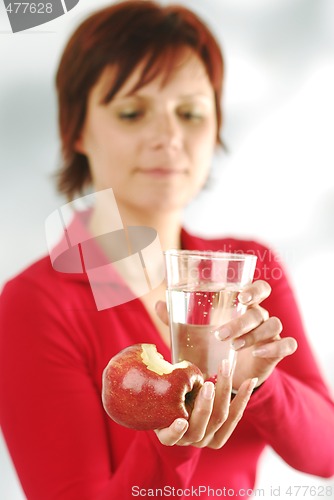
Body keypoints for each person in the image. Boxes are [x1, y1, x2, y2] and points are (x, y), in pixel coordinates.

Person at [0, 1, 333, 499]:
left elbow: (325, 452)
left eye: (191, 113)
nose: (169, 137)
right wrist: (173, 444)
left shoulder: (250, 269)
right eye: (133, 113)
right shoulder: (35, 304)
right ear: (77, 130)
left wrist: (259, 384)